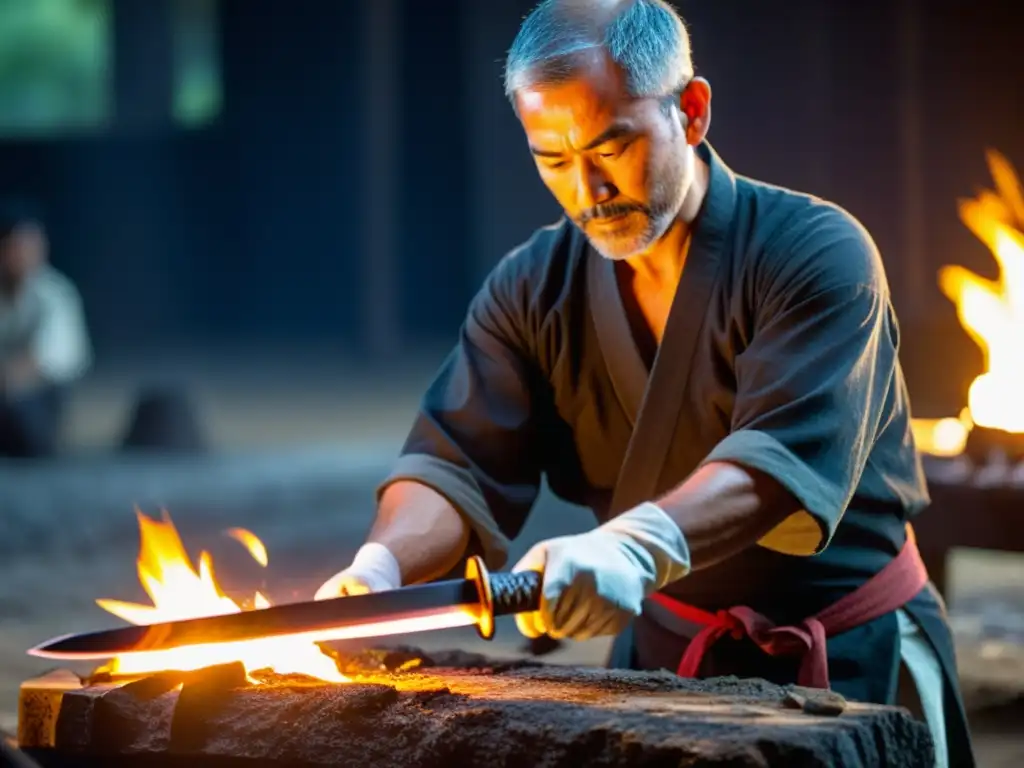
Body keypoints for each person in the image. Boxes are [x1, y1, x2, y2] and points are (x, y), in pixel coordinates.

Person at [316, 1, 972, 765]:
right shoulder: (532, 288)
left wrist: (633, 546)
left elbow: (778, 467)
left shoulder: (818, 254)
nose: (587, 189)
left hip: (852, 655)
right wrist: (381, 568)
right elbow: (454, 461)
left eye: (612, 145)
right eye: (552, 159)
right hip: (659, 671)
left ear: (691, 111)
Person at [0, 201, 91, 458]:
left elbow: (40, 362)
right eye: (16, 246)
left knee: (25, 426)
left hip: (39, 399)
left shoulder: (54, 295)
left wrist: (7, 379)